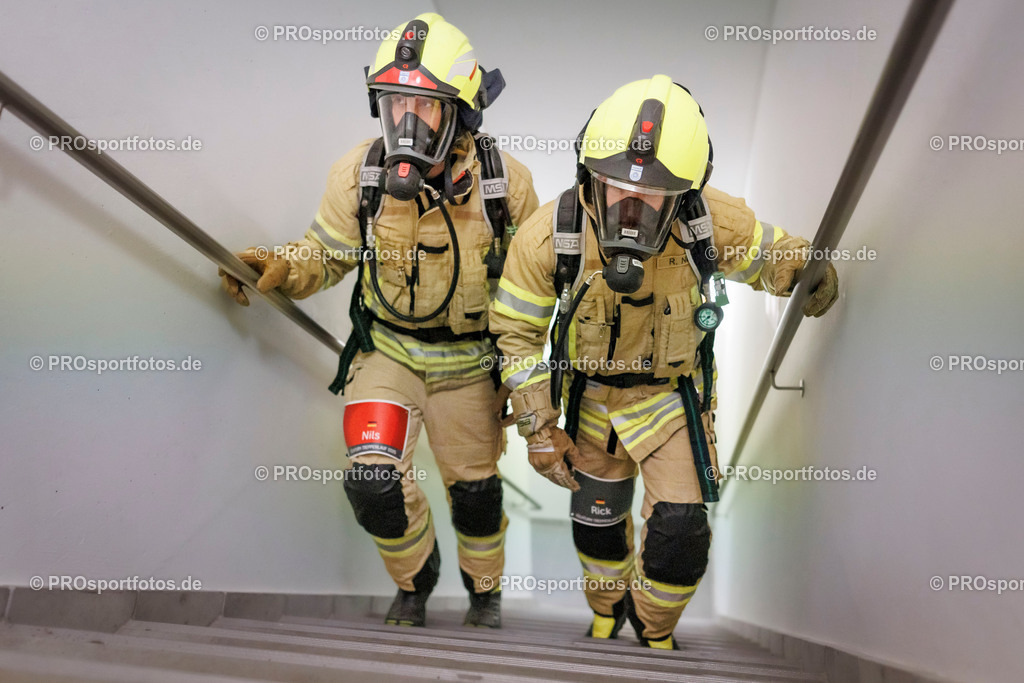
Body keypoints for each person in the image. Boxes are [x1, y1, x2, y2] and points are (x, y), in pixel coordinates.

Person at [489, 75, 837, 648]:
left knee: (681, 530)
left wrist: (804, 272)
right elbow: (516, 334)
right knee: (596, 525)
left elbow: (771, 251)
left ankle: (654, 631)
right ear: (588, 175)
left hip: (669, 401)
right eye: (614, 188)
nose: (631, 208)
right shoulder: (550, 235)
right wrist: (538, 427)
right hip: (590, 400)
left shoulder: (706, 222)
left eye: (652, 196)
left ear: (684, 191)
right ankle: (606, 612)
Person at [219, 13, 539, 629]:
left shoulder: (507, 187)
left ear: (465, 113)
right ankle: (416, 582)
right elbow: (327, 251)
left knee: (476, 498)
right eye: (394, 105)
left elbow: (531, 293)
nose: (407, 125)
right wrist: (284, 266)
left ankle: (484, 595)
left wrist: (525, 384)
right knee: (373, 485)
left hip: (471, 368)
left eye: (426, 108)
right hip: (388, 355)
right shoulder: (360, 175)